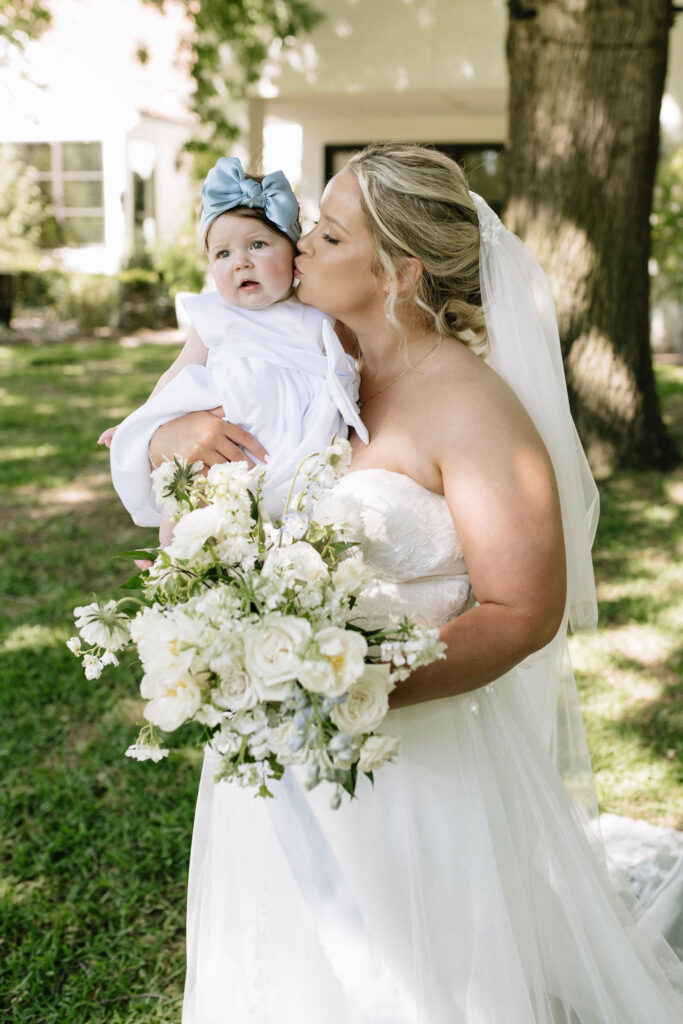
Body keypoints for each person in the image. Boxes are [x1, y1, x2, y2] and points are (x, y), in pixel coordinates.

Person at [145, 144, 683, 1022]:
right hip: (265, 747)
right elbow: (157, 441)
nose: (297, 241)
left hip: (409, 759)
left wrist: (345, 684)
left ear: (397, 270)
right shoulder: (298, 357)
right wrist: (178, 437)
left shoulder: (470, 407)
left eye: (325, 231)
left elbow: (523, 610)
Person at [104, 156, 366, 544]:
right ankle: (176, 567)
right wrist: (140, 423)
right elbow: (176, 375)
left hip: (294, 445)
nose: (240, 262)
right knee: (189, 510)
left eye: (257, 245)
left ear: (292, 249)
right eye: (222, 254)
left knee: (288, 529)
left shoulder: (318, 313)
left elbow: (352, 372)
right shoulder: (213, 316)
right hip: (223, 452)